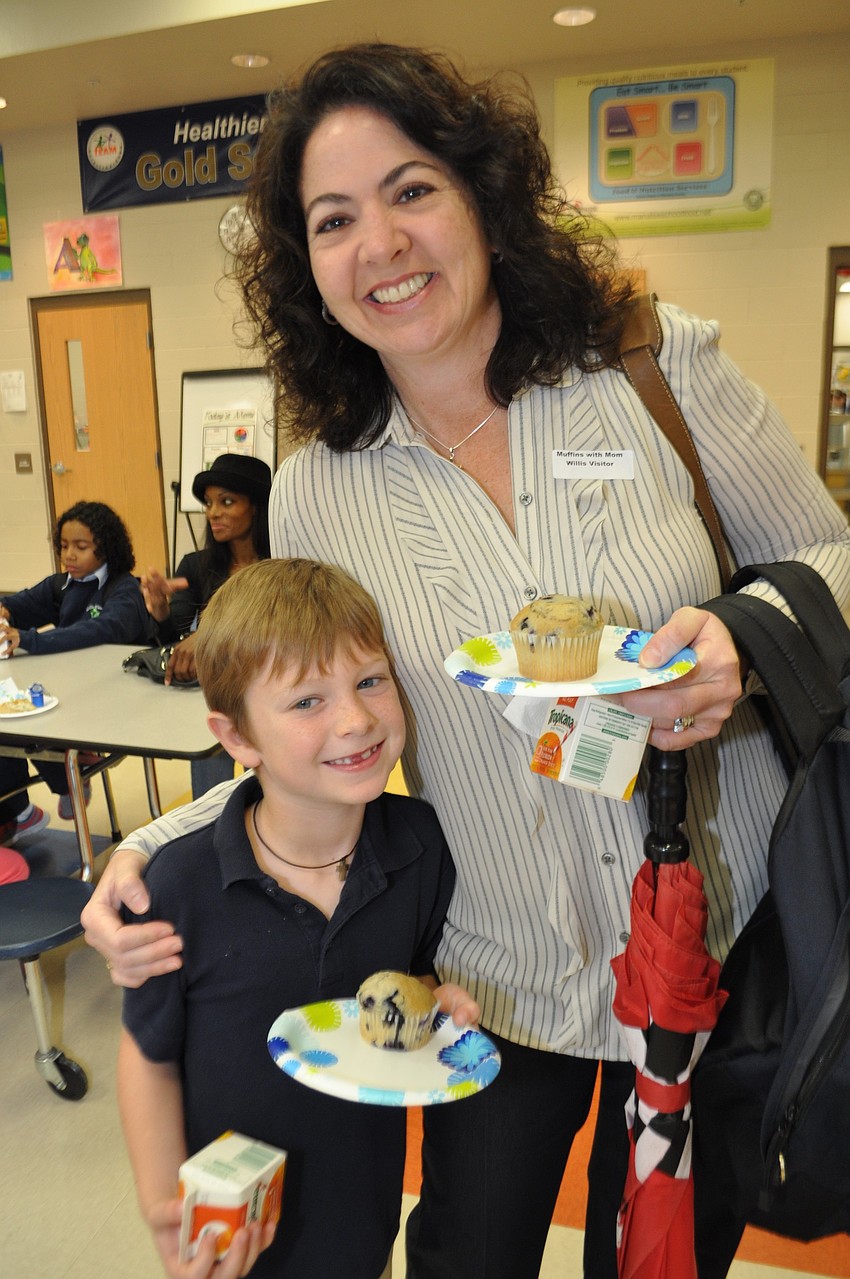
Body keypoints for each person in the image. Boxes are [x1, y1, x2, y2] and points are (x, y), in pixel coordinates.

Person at [82, 43, 850, 1279]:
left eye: (411, 190)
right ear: (305, 266)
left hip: (711, 944)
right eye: (334, 219)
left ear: (483, 196)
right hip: (493, 978)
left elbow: (831, 553)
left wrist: (742, 646)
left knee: (662, 1258)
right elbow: (301, 726)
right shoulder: (319, 489)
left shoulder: (649, 368)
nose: (380, 243)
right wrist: (151, 847)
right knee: (465, 1255)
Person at [118, 557, 478, 1279]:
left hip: (362, 1212)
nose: (357, 719)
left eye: (370, 680)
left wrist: (434, 1002)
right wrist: (163, 1202)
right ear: (238, 738)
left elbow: (413, 975)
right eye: (307, 700)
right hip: (235, 1233)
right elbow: (147, 1054)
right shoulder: (180, 885)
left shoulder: (420, 846)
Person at [0, 500, 151, 845]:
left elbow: (101, 630)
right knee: (8, 722)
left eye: (81, 547)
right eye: (64, 546)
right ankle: (18, 812)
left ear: (106, 547)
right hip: (69, 691)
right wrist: (6, 610)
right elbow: (21, 603)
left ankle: (71, 774)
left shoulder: (124, 589)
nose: (69, 555)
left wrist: (30, 639)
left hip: (113, 698)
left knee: (32, 721)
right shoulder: (62, 585)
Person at [142, 452, 271, 796]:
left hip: (271, 691)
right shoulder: (196, 565)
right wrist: (160, 611)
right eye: (209, 503)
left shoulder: (282, 564)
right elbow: (175, 638)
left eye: (227, 502)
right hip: (212, 698)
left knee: (272, 790)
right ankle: (214, 822)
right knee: (212, 794)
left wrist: (209, 636)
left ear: (255, 507)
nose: (213, 513)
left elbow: (281, 629)